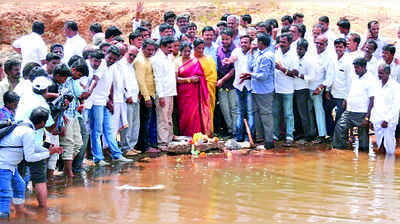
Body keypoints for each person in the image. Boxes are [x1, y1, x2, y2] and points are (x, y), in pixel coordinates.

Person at [0, 107, 60, 219]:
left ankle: (19, 215)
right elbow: (29, 157)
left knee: (20, 186)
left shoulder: (23, 125)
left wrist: (48, 150)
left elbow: (31, 145)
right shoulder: (28, 132)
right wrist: (49, 154)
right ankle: (4, 217)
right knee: (5, 195)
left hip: (10, 166)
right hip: (3, 166)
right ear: (43, 122)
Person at [15, 76, 59, 208]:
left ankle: (18, 210)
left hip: (17, 142)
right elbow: (52, 128)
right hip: (36, 145)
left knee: (19, 178)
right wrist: (59, 111)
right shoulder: (43, 105)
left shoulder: (24, 96)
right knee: (40, 179)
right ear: (46, 90)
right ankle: (43, 210)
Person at [86, 46, 132, 165]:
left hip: (104, 101)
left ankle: (116, 154)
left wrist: (109, 101)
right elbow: (95, 80)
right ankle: (98, 158)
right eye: (110, 58)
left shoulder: (112, 67)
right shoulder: (101, 65)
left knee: (109, 130)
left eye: (114, 59)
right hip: (95, 102)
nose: (111, 60)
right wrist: (89, 91)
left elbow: (108, 85)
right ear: (106, 54)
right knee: (96, 131)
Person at [333, 58, 377, 151]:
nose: (355, 70)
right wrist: (346, 99)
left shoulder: (371, 79)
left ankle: (363, 158)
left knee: (363, 140)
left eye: (357, 68)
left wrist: (367, 117)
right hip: (349, 110)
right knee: (340, 127)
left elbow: (372, 100)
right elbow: (350, 89)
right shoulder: (354, 77)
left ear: (364, 67)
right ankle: (340, 151)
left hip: (362, 113)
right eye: (354, 68)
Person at [59, 59, 88, 177]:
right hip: (66, 116)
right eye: (79, 75)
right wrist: (62, 116)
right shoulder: (64, 80)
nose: (79, 77)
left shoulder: (72, 80)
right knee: (69, 144)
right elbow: (60, 98)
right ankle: (68, 172)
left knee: (78, 144)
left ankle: (66, 169)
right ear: (74, 70)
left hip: (74, 115)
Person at [176, 41, 212, 136]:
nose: (187, 53)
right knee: (185, 114)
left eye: (189, 51)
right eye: (185, 51)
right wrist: (189, 80)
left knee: (195, 113)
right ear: (180, 51)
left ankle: (196, 134)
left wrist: (197, 79)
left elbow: (201, 76)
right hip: (182, 93)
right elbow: (175, 79)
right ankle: (185, 134)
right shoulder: (176, 62)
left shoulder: (195, 61)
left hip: (194, 92)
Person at [246, 34, 275, 149]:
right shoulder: (259, 53)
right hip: (256, 89)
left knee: (266, 114)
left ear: (261, 43)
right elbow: (251, 66)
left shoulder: (267, 56)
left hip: (264, 91)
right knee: (257, 113)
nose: (255, 44)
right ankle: (260, 138)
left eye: (257, 42)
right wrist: (251, 53)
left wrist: (250, 75)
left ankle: (269, 141)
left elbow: (263, 75)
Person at [225, 35, 254, 142]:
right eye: (242, 42)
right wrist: (229, 61)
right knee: (240, 112)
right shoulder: (236, 51)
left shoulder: (253, 53)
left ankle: (248, 137)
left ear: (250, 43)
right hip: (238, 86)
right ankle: (238, 136)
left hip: (250, 86)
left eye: (246, 42)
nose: (243, 44)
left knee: (250, 112)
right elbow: (233, 59)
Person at [324, 38, 353, 138]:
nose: (338, 49)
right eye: (336, 47)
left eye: (340, 47)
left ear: (345, 48)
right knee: (326, 110)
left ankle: (339, 138)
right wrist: (327, 90)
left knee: (339, 118)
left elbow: (350, 81)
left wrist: (346, 98)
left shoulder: (348, 62)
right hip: (332, 93)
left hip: (342, 95)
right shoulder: (333, 59)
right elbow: (330, 75)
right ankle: (331, 134)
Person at [152, 36, 177, 151]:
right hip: (163, 94)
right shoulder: (157, 59)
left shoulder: (169, 57)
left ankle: (169, 139)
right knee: (162, 118)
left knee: (168, 117)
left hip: (170, 92)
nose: (171, 49)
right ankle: (162, 143)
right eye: (169, 47)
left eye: (172, 47)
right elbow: (158, 78)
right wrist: (160, 96)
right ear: (162, 47)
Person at [273, 32, 298, 146]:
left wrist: (282, 69)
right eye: (280, 42)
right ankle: (275, 135)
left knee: (288, 114)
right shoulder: (277, 52)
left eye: (284, 42)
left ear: (290, 43)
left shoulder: (293, 55)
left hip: (288, 89)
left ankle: (289, 136)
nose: (281, 44)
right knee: (276, 112)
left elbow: (294, 74)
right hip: (276, 88)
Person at [310, 35, 335, 143]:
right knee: (309, 112)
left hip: (317, 89)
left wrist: (321, 87)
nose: (319, 45)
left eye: (321, 44)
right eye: (317, 43)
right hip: (307, 86)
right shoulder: (312, 53)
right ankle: (312, 133)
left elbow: (330, 77)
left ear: (326, 45)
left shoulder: (328, 58)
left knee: (319, 111)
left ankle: (321, 135)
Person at [134, 39, 158, 152]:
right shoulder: (140, 61)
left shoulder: (148, 59)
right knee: (144, 121)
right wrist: (147, 97)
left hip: (150, 93)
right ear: (142, 48)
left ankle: (142, 144)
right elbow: (141, 80)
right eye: (148, 49)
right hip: (145, 95)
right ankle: (144, 146)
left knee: (145, 121)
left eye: (153, 50)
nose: (151, 52)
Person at [371, 64, 400, 154]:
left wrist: (387, 120)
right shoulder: (377, 84)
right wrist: (372, 119)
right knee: (380, 146)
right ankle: (381, 167)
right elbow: (375, 103)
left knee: (389, 147)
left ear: (388, 73)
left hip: (389, 122)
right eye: (378, 73)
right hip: (377, 120)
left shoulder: (395, 86)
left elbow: (396, 106)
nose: (379, 75)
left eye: (381, 73)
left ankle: (390, 166)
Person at [216, 28, 238, 137]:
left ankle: (235, 130)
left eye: (227, 39)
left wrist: (222, 80)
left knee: (234, 108)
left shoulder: (235, 50)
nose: (224, 41)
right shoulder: (218, 49)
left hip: (232, 83)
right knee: (224, 108)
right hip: (221, 84)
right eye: (222, 39)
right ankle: (229, 129)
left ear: (232, 38)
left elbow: (234, 69)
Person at [293, 38, 315, 143]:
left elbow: (311, 76)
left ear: (306, 50)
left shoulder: (309, 61)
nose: (298, 51)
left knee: (303, 113)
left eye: (301, 49)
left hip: (303, 89)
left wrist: (300, 75)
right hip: (293, 88)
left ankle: (307, 135)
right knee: (296, 112)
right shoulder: (296, 58)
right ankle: (299, 132)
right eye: (297, 49)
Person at [194, 38, 218, 134]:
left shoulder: (209, 58)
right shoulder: (191, 60)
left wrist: (205, 84)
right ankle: (196, 132)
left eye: (202, 48)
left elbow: (213, 76)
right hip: (194, 89)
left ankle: (208, 131)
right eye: (198, 48)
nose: (200, 50)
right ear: (194, 48)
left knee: (208, 109)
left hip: (207, 89)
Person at [119, 46, 140, 153]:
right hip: (127, 98)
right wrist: (127, 95)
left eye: (134, 56)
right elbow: (122, 82)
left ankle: (131, 146)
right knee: (127, 124)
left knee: (135, 123)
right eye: (130, 54)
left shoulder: (132, 65)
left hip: (135, 97)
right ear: (126, 52)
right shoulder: (121, 65)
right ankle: (126, 147)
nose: (131, 57)